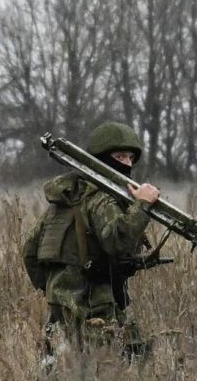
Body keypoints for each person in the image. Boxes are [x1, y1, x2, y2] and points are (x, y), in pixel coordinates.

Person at [22, 122, 160, 360]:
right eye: (119, 156)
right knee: (127, 361)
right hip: (94, 306)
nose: (127, 163)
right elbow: (117, 241)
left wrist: (57, 288)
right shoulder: (101, 200)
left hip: (60, 309)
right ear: (101, 159)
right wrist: (143, 206)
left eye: (130, 158)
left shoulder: (62, 202)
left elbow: (29, 252)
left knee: (58, 367)